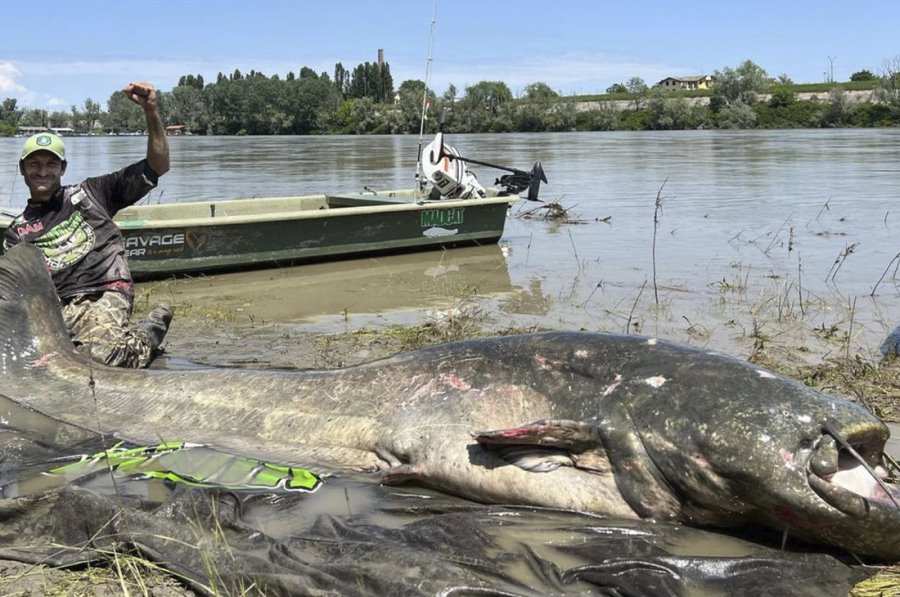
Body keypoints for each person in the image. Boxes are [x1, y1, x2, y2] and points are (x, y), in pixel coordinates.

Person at [3, 81, 173, 368]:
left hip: (104, 291)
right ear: (22, 169)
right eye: (34, 164)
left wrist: (151, 111)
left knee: (100, 360)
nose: (42, 171)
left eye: (51, 164)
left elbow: (158, 166)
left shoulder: (92, 193)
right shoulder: (16, 234)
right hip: (57, 309)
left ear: (63, 168)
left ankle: (147, 336)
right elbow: (17, 296)